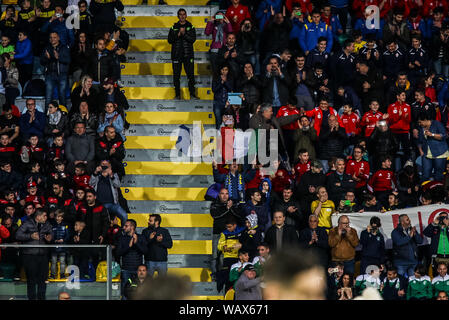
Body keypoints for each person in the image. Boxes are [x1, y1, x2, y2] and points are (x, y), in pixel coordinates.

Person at [15, 209, 52, 300]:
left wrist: (50, 237)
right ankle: (31, 298)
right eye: (44, 215)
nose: (46, 217)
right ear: (38, 217)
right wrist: (30, 236)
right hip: (30, 256)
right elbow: (18, 235)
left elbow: (51, 234)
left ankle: (41, 298)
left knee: (42, 280)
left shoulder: (47, 224)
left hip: (43, 256)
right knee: (31, 280)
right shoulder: (27, 223)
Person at [168, 8, 197, 100]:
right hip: (176, 56)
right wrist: (178, 34)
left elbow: (193, 40)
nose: (182, 16)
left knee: (191, 76)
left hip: (188, 56)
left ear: (186, 15)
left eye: (184, 14)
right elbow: (170, 40)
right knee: (176, 77)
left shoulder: (191, 26)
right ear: (178, 16)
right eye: (180, 14)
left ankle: (192, 95)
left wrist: (184, 34)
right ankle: (177, 95)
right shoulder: (173, 27)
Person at [116, 219, 147, 299]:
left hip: (138, 270)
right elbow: (118, 253)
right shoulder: (122, 238)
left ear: (132, 227)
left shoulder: (141, 237)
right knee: (125, 292)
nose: (123, 227)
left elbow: (145, 251)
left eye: (126, 226)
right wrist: (128, 246)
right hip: (126, 269)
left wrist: (136, 243)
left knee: (140, 292)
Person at [40, 32, 70, 109]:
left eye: (54, 37)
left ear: (58, 38)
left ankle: (64, 115)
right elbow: (42, 62)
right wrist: (47, 58)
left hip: (62, 74)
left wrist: (58, 57)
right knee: (48, 97)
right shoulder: (47, 48)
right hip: (50, 74)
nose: (52, 39)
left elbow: (68, 60)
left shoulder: (64, 48)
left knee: (62, 97)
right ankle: (47, 116)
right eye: (51, 37)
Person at [417, 113, 449, 182]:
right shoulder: (421, 128)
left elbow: (444, 136)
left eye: (420, 122)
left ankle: (438, 191)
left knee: (438, 176)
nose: (419, 124)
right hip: (426, 154)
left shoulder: (436, 124)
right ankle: (424, 191)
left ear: (425, 120)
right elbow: (419, 141)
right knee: (425, 176)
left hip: (440, 153)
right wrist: (421, 151)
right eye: (418, 122)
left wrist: (432, 134)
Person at [50, 210, 70, 279]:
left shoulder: (65, 226)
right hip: (54, 247)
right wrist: (54, 240)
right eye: (56, 216)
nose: (57, 218)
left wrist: (63, 240)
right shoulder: (52, 225)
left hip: (62, 247)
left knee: (62, 262)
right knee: (53, 262)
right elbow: (50, 236)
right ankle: (52, 275)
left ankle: (62, 275)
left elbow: (68, 236)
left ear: (62, 218)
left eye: (59, 216)